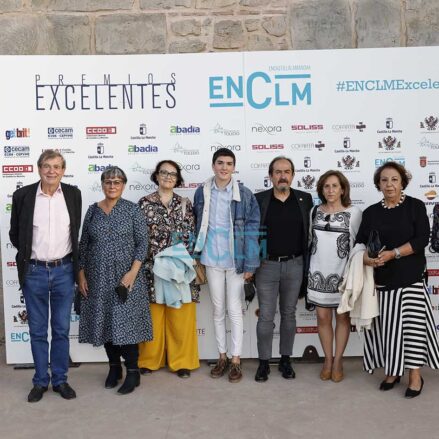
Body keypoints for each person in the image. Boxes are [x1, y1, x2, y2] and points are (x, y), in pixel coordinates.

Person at [356, 161, 439, 398]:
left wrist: (394, 253)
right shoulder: (371, 212)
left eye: (394, 179)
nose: (389, 184)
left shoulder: (415, 206)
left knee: (413, 330)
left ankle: (415, 375)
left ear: (403, 182)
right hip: (382, 281)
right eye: (384, 180)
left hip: (411, 278)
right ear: (378, 184)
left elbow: (422, 239)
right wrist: (367, 259)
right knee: (389, 331)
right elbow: (360, 242)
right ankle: (393, 371)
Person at [9, 149, 82, 403]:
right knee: (38, 331)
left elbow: (75, 231)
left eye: (57, 166)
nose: (52, 171)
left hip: (65, 270)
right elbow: (15, 234)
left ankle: (60, 380)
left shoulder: (73, 194)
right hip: (34, 271)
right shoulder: (23, 195)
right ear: (39, 168)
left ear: (63, 170)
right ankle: (40, 381)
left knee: (61, 329)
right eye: (47, 166)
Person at [77, 166, 152, 395]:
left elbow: (143, 242)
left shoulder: (132, 209)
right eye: (108, 182)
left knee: (126, 324)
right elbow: (83, 244)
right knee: (105, 322)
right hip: (97, 277)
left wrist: (133, 272)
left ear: (123, 185)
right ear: (102, 185)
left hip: (125, 278)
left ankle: (133, 372)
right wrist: (81, 274)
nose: (112, 186)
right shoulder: (92, 211)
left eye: (117, 182)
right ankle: (114, 368)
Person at [193, 148, 260, 383]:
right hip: (211, 259)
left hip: (236, 261)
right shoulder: (202, 192)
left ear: (234, 167)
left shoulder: (245, 194)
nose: (224, 167)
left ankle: (236, 360)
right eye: (220, 163)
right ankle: (222, 357)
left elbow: (252, 231)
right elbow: (198, 224)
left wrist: (251, 263)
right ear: (213, 165)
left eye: (229, 163)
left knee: (234, 309)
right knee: (218, 309)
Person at [137, 160, 200, 378]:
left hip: (178, 267)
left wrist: (181, 262)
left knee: (180, 316)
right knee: (152, 317)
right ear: (156, 176)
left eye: (172, 174)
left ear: (178, 179)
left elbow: (191, 235)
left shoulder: (185, 203)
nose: (168, 176)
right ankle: (148, 361)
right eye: (163, 172)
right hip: (151, 268)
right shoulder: (144, 203)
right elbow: (138, 237)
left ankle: (181, 362)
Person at [254, 156, 313, 382]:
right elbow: (250, 233)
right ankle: (263, 363)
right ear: (270, 176)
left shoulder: (304, 199)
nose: (282, 176)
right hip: (266, 265)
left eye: (287, 171)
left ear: (293, 175)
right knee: (266, 317)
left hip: (295, 265)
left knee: (289, 314)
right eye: (278, 172)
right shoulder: (260, 199)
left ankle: (285, 360)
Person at [307, 170, 362, 382]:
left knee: (342, 318)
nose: (330, 190)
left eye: (335, 186)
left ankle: (338, 360)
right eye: (326, 186)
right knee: (322, 318)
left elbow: (359, 244)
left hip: (342, 275)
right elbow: (310, 241)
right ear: (321, 189)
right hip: (317, 274)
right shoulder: (314, 212)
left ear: (342, 189)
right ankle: (328, 360)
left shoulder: (354, 213)